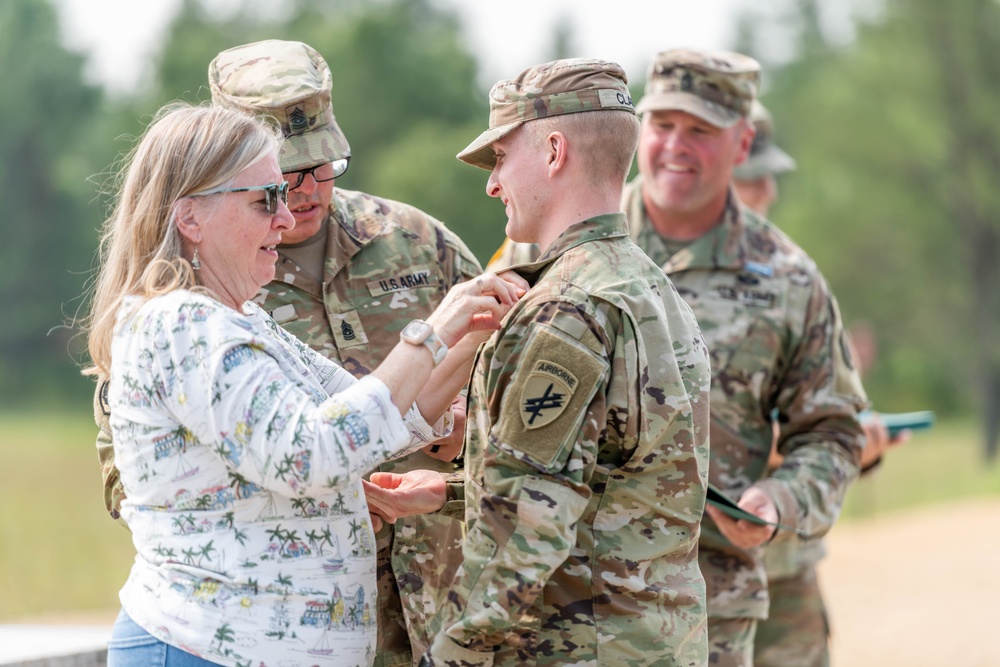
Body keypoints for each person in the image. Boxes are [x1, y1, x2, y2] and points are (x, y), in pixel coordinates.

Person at [82, 102, 520, 666]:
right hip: (206, 651)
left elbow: (368, 418)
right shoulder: (181, 325)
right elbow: (314, 452)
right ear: (190, 218)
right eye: (266, 199)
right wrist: (432, 331)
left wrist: (468, 335)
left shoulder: (239, 317)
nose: (286, 219)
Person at [366, 58, 712, 666]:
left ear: (554, 151)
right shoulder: (647, 286)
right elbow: (610, 484)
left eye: (500, 158)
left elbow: (525, 533)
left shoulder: (567, 310)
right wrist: (453, 492)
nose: (492, 185)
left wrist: (447, 658)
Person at [623, 48, 866, 667]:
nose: (676, 145)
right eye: (663, 125)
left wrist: (780, 502)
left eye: (700, 130)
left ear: (742, 142)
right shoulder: (557, 240)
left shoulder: (788, 280)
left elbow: (833, 433)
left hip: (714, 611)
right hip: (574, 608)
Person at [730, 102, 909, 667]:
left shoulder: (787, 276)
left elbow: (823, 416)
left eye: (769, 178)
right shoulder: (638, 277)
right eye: (754, 179)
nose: (769, 194)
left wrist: (857, 446)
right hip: (680, 573)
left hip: (785, 566)